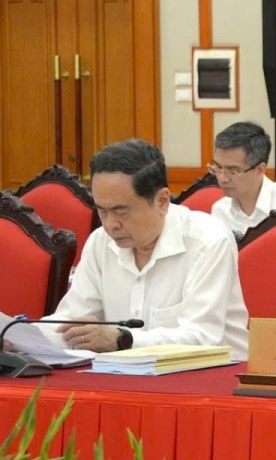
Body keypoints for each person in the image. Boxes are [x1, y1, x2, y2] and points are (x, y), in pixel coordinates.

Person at [25, 139, 249, 359]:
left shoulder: (208, 241)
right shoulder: (101, 242)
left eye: (121, 211)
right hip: (123, 378)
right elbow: (71, 323)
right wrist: (19, 338)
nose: (110, 224)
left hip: (213, 381)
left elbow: (201, 338)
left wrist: (122, 339)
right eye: (102, 211)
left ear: (162, 201)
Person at [208, 122, 276, 236]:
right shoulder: (220, 210)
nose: (222, 178)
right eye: (217, 167)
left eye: (233, 170)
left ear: (260, 169)